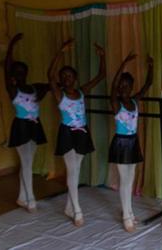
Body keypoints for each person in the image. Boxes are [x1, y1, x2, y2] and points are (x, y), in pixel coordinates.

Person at [47, 38, 106, 227]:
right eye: (63, 77)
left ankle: (68, 206)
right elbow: (49, 76)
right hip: (67, 133)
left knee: (76, 170)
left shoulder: (81, 91)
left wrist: (102, 56)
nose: (66, 79)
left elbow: (101, 75)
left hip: (81, 133)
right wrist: (60, 52)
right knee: (72, 171)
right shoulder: (59, 94)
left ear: (75, 78)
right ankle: (77, 210)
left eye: (70, 76)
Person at [4, 33, 50, 213]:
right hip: (21, 126)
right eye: (17, 72)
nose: (20, 75)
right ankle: (30, 198)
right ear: (13, 75)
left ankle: (22, 197)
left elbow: (49, 85)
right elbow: (6, 70)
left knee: (27, 163)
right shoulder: (13, 90)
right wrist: (11, 46)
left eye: (23, 72)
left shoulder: (33, 88)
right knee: (27, 163)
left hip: (34, 125)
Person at [109, 52, 153, 232]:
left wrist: (151, 67)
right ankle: (126, 215)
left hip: (133, 143)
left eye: (128, 85)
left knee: (131, 178)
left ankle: (129, 211)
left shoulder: (135, 101)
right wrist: (124, 63)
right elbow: (112, 86)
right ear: (119, 88)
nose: (125, 88)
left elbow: (148, 84)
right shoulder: (115, 103)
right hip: (120, 144)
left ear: (131, 86)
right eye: (122, 85)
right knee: (124, 180)